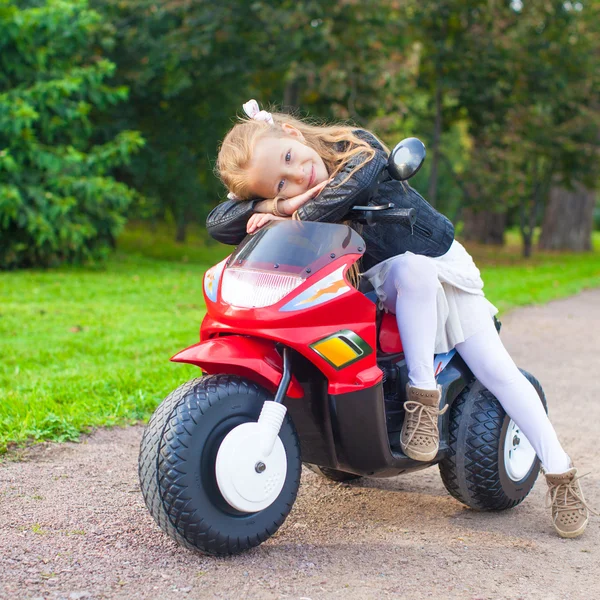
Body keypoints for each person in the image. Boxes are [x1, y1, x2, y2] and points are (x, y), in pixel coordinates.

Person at [207, 99, 594, 538]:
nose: (297, 176)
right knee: (348, 320)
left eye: (290, 160)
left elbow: (341, 193)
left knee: (496, 370)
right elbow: (219, 222)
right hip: (376, 278)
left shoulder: (357, 148)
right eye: (280, 183)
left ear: (293, 136)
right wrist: (273, 205)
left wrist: (281, 206)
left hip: (440, 265)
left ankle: (555, 470)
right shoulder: (292, 182)